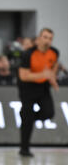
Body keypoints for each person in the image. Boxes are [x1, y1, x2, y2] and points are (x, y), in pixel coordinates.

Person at [17, 28, 59, 157]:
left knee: (48, 112)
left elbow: (53, 68)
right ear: (39, 39)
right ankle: (24, 149)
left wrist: (52, 79)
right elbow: (23, 76)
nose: (47, 41)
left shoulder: (54, 52)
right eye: (45, 37)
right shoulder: (28, 54)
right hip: (27, 87)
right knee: (27, 117)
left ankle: (26, 117)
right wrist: (43, 74)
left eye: (50, 38)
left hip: (43, 86)